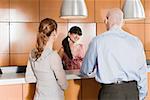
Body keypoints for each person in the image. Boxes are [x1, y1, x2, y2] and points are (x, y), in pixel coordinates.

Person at [80, 8, 147, 100]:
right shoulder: (136, 41)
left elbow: (86, 70)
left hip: (110, 92)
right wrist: (142, 94)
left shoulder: (98, 41)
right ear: (122, 22)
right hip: (132, 91)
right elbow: (142, 71)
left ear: (106, 21)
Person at [25, 18, 68, 100]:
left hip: (38, 97)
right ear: (54, 33)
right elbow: (64, 85)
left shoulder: (32, 53)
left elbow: (29, 78)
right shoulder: (53, 56)